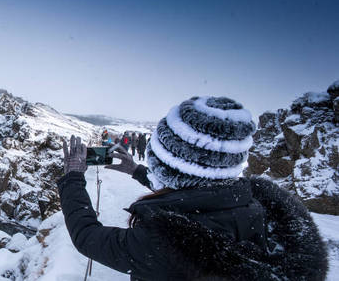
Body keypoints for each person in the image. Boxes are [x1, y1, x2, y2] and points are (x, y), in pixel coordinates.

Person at [58, 96, 328, 281]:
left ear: (168, 168)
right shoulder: (269, 216)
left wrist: (73, 177)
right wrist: (138, 171)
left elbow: (87, 237)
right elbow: (197, 195)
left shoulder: (163, 244)